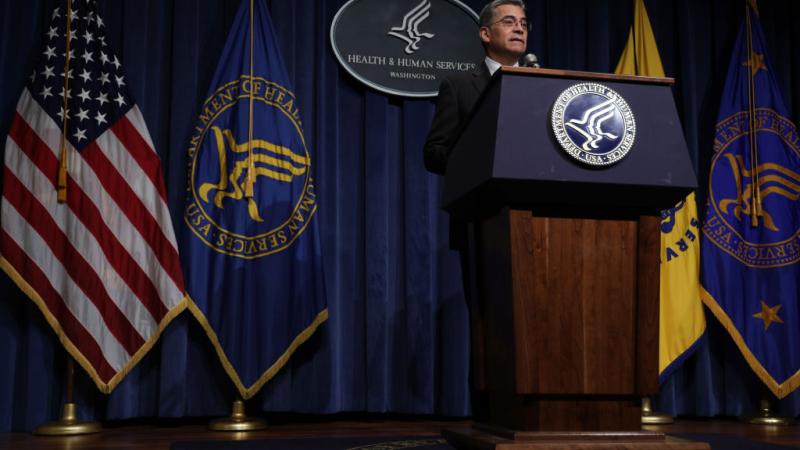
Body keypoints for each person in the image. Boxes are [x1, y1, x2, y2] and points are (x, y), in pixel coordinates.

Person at [423, 0, 529, 175]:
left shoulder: (540, 86)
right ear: (486, 34)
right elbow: (433, 154)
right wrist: (477, 156)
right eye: (509, 22)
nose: (519, 29)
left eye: (523, 24)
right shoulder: (458, 86)